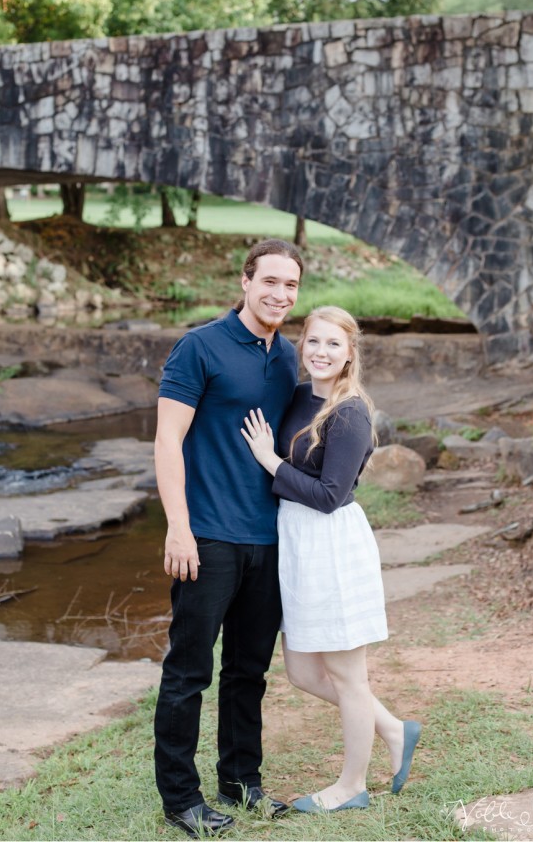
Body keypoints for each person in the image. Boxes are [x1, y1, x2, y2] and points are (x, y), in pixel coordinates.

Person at [241, 305, 421, 813]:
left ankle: (352, 785)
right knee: (301, 671)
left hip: (332, 546)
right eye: (313, 342)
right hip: (296, 545)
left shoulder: (351, 413)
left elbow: (329, 495)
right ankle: (392, 727)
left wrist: (269, 459)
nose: (321, 352)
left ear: (349, 354)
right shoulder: (298, 397)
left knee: (348, 676)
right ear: (303, 346)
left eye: (333, 345)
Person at [153, 238, 303, 839]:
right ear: (245, 282)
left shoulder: (290, 356)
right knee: (190, 672)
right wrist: (178, 527)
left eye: (291, 286)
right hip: (208, 536)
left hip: (269, 538)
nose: (279, 294)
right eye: (270, 281)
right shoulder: (199, 347)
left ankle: (242, 783)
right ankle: (181, 799)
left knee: (249, 671)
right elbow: (167, 441)